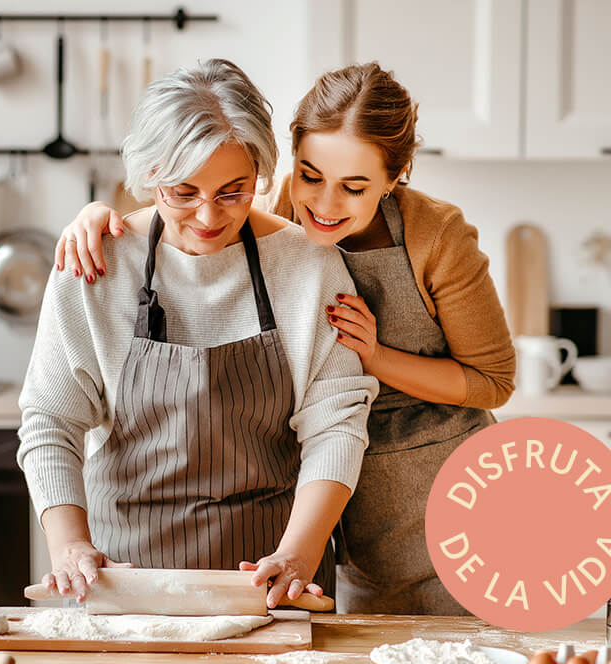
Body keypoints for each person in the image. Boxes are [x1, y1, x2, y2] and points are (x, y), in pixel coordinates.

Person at [50, 62, 516, 615]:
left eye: (355, 187)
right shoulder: (267, 216)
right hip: (338, 513)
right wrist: (100, 216)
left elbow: (491, 382)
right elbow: (201, 205)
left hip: (438, 497)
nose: (322, 204)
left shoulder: (426, 238)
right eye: (311, 176)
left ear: (397, 177)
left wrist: (374, 356)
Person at [17, 59, 377, 610]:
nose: (209, 216)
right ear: (149, 175)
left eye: (234, 192)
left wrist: (299, 555)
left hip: (271, 584)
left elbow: (336, 424)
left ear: (260, 172)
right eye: (183, 193)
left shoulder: (308, 267)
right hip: (122, 584)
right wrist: (69, 547)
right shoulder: (95, 264)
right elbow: (50, 421)